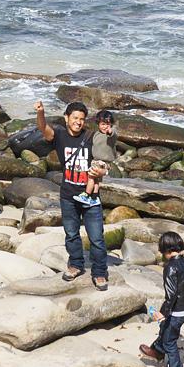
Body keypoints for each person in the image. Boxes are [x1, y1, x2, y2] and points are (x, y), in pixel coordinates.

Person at [34, 99, 109, 290]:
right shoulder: (59, 134)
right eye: (75, 117)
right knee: (71, 234)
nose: (78, 122)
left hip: (90, 197)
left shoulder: (91, 136)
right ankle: (75, 264)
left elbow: (104, 160)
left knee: (97, 238)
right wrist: (41, 113)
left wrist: (103, 171)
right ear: (66, 118)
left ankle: (100, 273)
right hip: (68, 195)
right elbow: (43, 129)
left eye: (82, 119)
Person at [139, 231, 184, 367]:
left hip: (176, 310)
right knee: (166, 329)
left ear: (166, 249)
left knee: (170, 341)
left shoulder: (171, 268)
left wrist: (162, 313)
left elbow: (170, 295)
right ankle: (157, 351)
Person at [74, 108, 117, 207]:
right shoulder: (96, 134)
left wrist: (110, 131)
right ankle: (95, 197)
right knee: (96, 180)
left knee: (91, 176)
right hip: (96, 160)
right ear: (98, 124)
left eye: (108, 124)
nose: (105, 126)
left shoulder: (110, 133)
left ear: (111, 124)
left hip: (103, 162)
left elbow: (112, 134)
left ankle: (87, 194)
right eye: (103, 124)